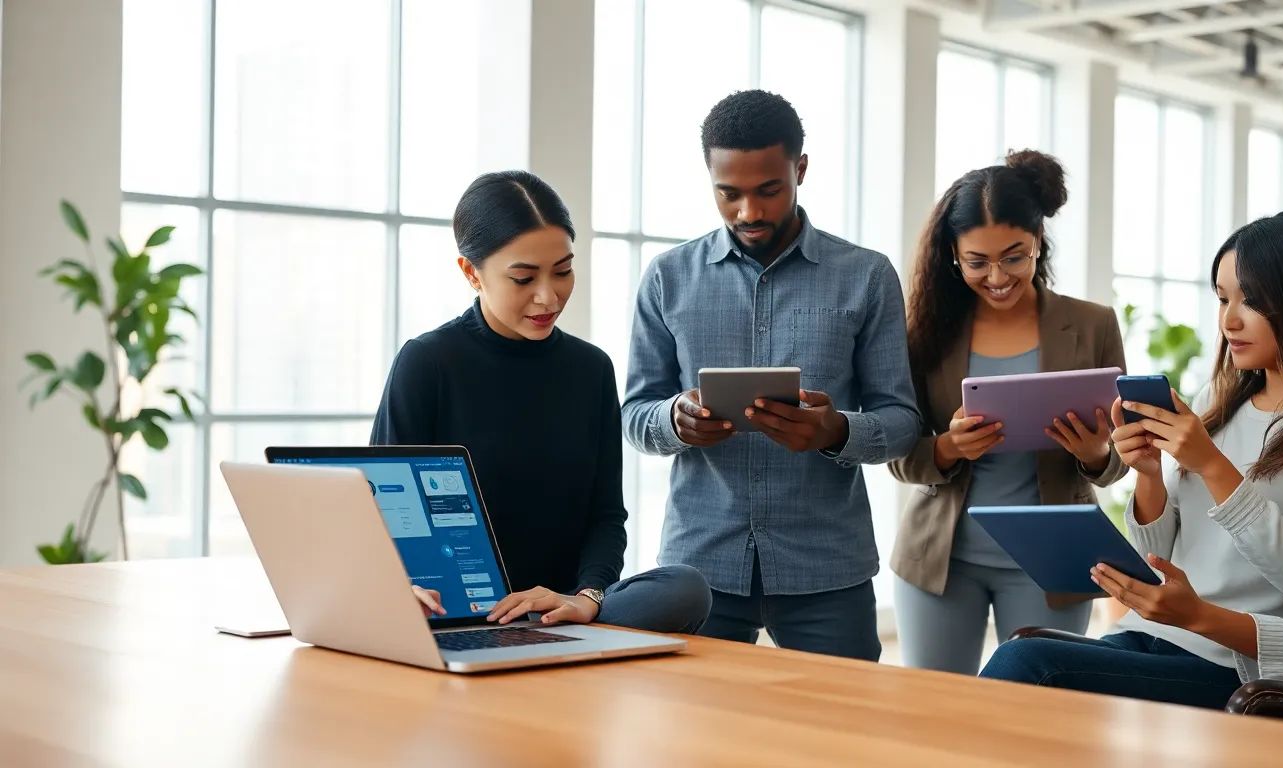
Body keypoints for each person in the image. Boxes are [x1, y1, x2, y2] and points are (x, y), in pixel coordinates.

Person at [980, 211, 1283, 707]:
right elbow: (1158, 555)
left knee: (1026, 663)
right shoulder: (1220, 399)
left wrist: (1212, 465)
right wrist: (1148, 474)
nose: (1229, 320)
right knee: (1022, 663)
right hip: (1154, 635)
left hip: (1233, 662)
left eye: (1252, 301)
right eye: (1223, 298)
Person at [621, 89, 920, 661]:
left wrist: (836, 431)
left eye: (768, 190)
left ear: (800, 170)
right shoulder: (667, 277)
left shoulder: (867, 276)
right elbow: (634, 414)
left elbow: (903, 421)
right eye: (728, 193)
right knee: (701, 721)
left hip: (826, 566)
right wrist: (674, 421)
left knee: (841, 720)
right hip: (701, 566)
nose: (748, 213)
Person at [370, 170, 711, 634]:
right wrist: (401, 585)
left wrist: (587, 597)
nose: (549, 296)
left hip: (559, 613)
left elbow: (606, 516)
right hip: (456, 611)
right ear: (471, 273)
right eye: (523, 278)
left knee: (685, 587)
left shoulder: (591, 369)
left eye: (563, 271)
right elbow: (382, 508)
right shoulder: (427, 362)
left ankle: (567, 626)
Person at [887, 150, 1129, 674]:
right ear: (953, 256)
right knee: (935, 707)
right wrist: (947, 447)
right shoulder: (923, 332)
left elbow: (1121, 459)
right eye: (977, 262)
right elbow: (899, 456)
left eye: (1014, 257)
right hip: (942, 559)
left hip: (1054, 559)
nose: (997, 276)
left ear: (1038, 239)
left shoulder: (1093, 325)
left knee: (1039, 709)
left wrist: (1095, 454)